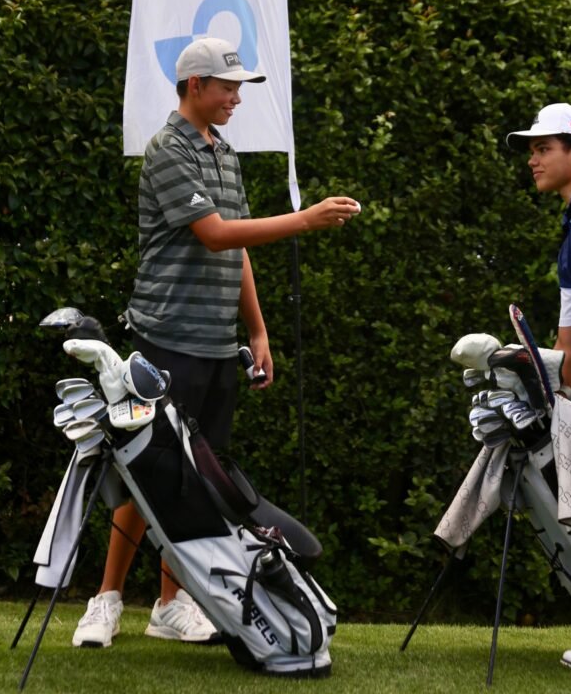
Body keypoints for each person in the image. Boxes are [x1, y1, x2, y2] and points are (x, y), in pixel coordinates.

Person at [73, 36, 361, 649]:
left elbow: (238, 245)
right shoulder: (167, 149)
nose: (236, 98)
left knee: (197, 481)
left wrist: (256, 330)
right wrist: (305, 220)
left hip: (213, 344)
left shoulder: (224, 153)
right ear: (195, 86)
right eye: (228, 87)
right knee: (146, 472)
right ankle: (106, 599)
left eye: (239, 88)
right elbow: (214, 234)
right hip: (165, 338)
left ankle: (169, 605)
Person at [506, 101, 571, 673]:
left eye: (544, 148)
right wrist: (553, 404)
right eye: (532, 150)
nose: (533, 159)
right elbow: (569, 352)